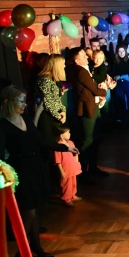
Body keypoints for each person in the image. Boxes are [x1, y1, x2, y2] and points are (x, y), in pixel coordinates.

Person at [0, 85, 79, 257]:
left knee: (35, 210)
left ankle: (36, 247)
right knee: (28, 212)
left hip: (35, 167)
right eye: (22, 101)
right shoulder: (2, 127)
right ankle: (21, 254)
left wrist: (65, 148)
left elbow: (41, 140)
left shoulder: (24, 119)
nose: (25, 104)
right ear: (10, 102)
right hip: (20, 172)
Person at [67, 47, 108, 177]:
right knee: (88, 140)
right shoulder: (81, 71)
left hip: (92, 106)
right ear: (76, 60)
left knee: (94, 138)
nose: (87, 57)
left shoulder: (84, 69)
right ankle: (84, 171)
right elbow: (94, 89)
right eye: (83, 55)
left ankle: (93, 168)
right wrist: (105, 89)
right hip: (88, 109)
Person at [35, 54, 67, 141]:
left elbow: (57, 99)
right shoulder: (44, 80)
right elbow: (48, 102)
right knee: (49, 140)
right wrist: (59, 116)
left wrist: (63, 110)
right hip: (46, 116)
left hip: (54, 114)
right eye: (63, 64)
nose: (65, 66)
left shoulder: (53, 79)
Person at [54, 124, 82, 207]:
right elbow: (58, 161)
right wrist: (61, 172)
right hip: (65, 169)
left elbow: (76, 154)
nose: (69, 134)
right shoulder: (58, 146)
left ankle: (73, 195)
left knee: (73, 183)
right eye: (67, 132)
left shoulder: (71, 143)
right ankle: (66, 199)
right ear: (61, 135)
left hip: (72, 168)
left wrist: (77, 164)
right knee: (66, 184)